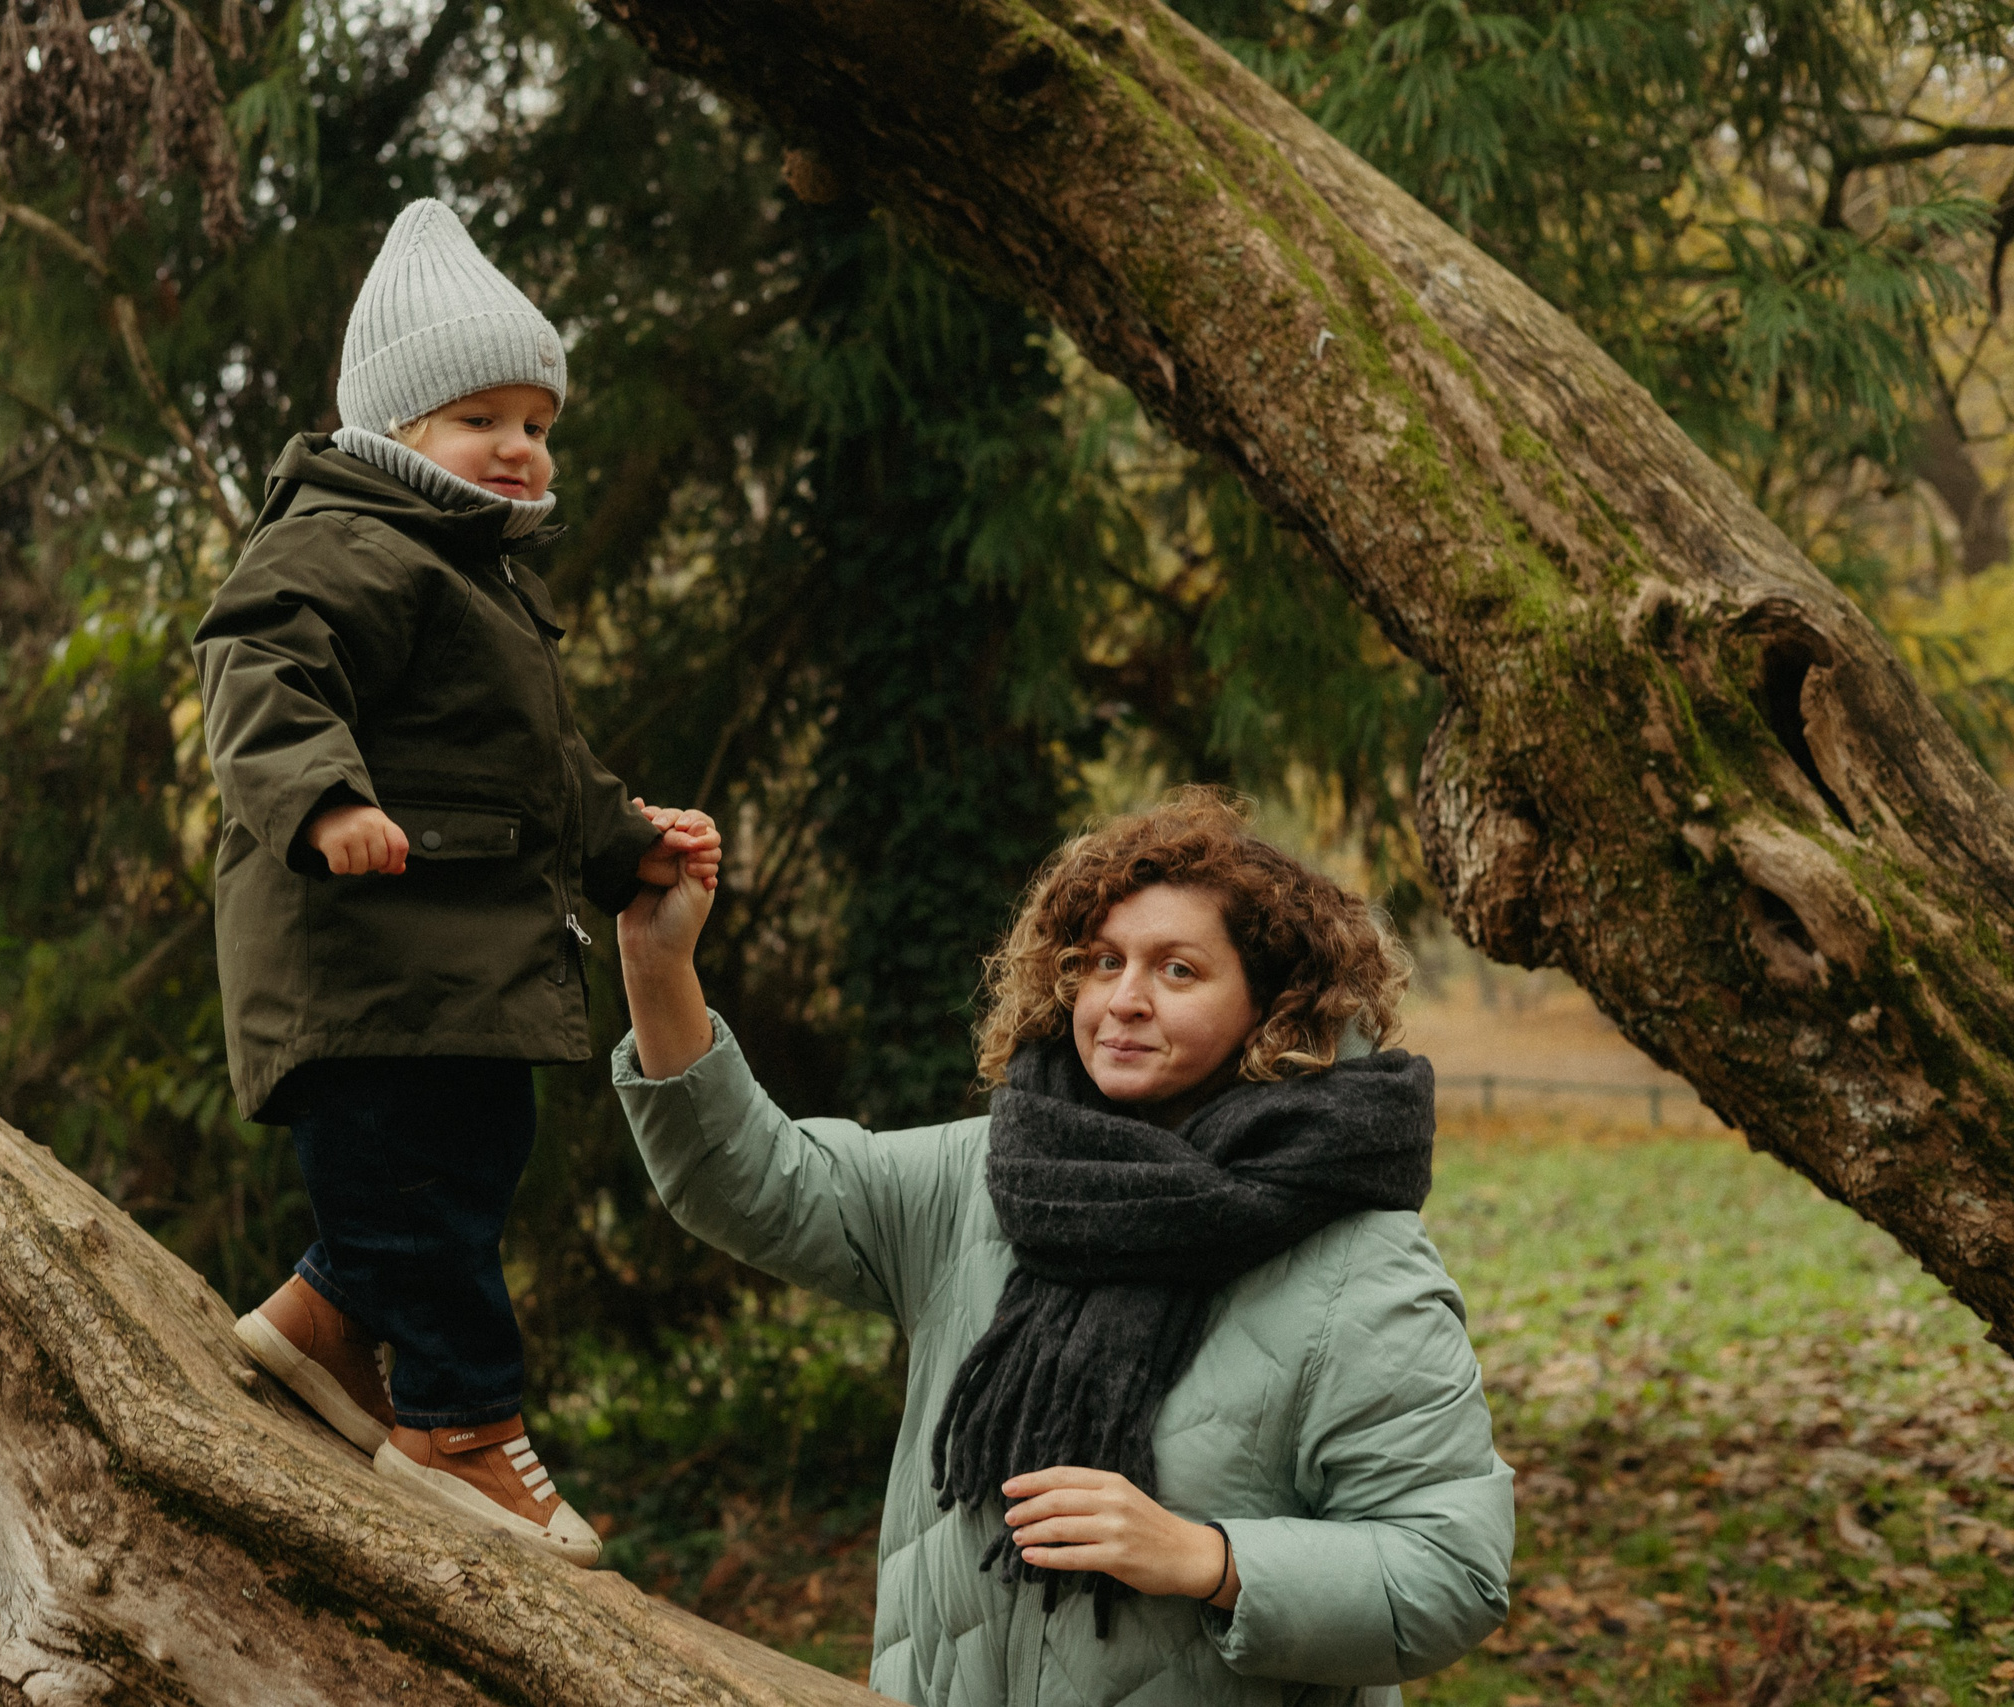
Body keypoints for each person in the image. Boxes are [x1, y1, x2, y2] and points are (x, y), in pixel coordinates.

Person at [612, 791, 1511, 1703]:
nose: (1123, 999)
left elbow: (1452, 1569)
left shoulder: (1359, 1257)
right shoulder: (994, 1175)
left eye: (1179, 971)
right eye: (1103, 962)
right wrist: (657, 962)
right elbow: (750, 1181)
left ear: (1274, 1006)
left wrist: (1207, 1557)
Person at [193, 197, 720, 1568]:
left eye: (538, 424)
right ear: (395, 430)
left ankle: (321, 1322)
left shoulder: (478, 580)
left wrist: (627, 844)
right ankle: (458, 1424)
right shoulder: (349, 536)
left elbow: (542, 771)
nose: (520, 447)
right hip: (367, 962)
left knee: (464, 1168)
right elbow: (259, 664)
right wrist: (325, 796)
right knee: (422, 1189)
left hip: (453, 967)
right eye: (480, 417)